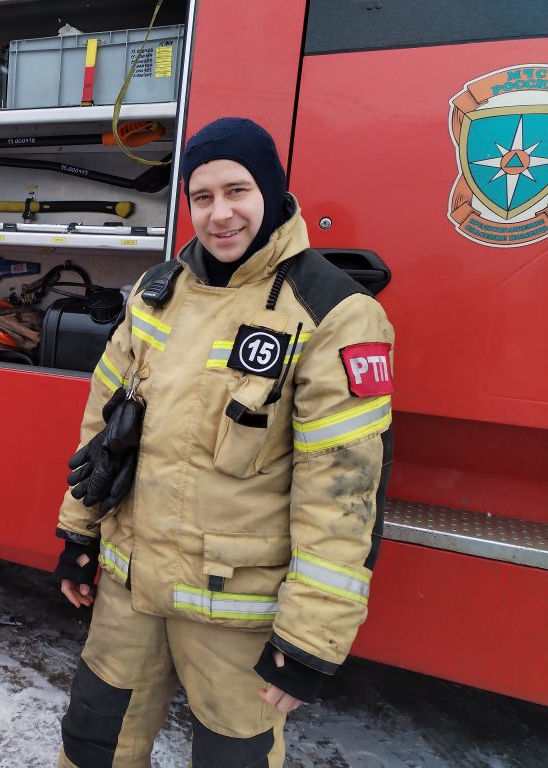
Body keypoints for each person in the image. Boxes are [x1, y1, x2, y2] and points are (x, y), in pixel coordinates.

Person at [54, 117, 395, 768]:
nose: (220, 214)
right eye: (202, 196)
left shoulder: (333, 312)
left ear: (271, 190)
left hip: (238, 612)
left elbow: (343, 495)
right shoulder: (158, 292)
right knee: (93, 745)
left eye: (237, 191)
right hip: (130, 590)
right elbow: (102, 428)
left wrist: (308, 640)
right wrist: (79, 532)